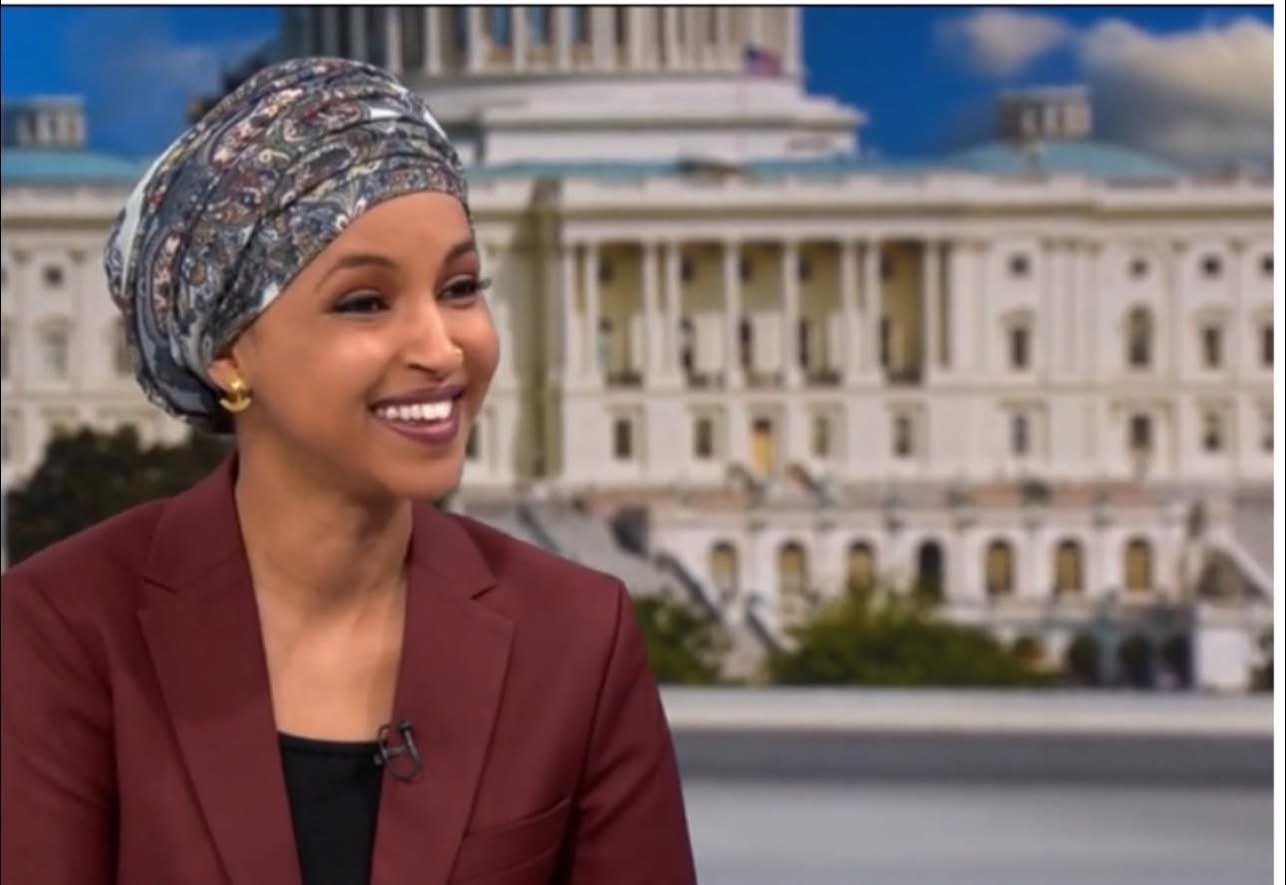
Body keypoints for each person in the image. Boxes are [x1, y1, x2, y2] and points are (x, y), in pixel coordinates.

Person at [0, 57, 697, 885]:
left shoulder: (578, 638)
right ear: (228, 354)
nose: (441, 348)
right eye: (365, 301)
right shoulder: (62, 633)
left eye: (460, 287)